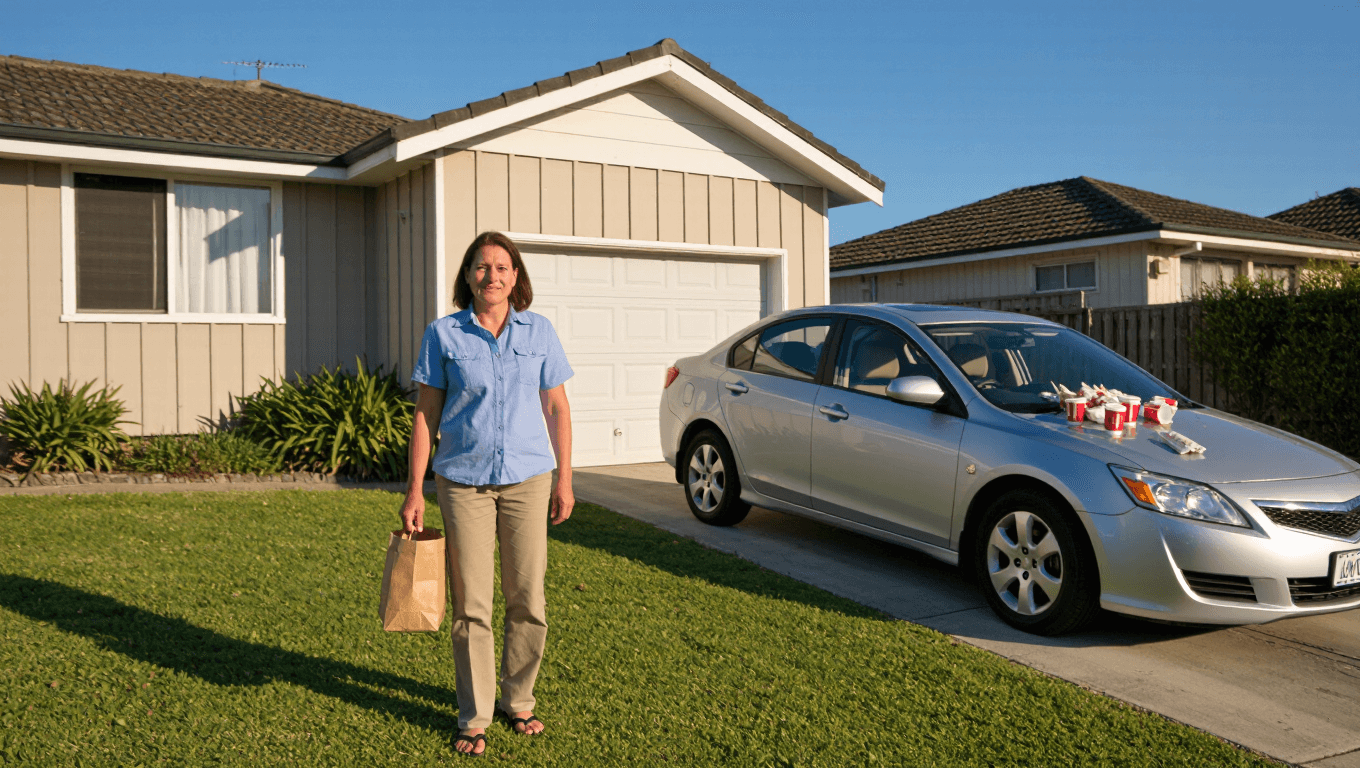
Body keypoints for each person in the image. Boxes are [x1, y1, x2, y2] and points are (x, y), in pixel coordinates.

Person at [399, 231, 574, 758]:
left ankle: (519, 701)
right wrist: (415, 490)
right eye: (481, 266)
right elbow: (427, 413)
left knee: (528, 599)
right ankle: (473, 717)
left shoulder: (539, 331)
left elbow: (557, 407)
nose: (491, 276)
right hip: (464, 482)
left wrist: (565, 479)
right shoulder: (443, 334)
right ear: (468, 275)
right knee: (472, 605)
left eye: (501, 267)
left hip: (528, 479)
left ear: (515, 277)